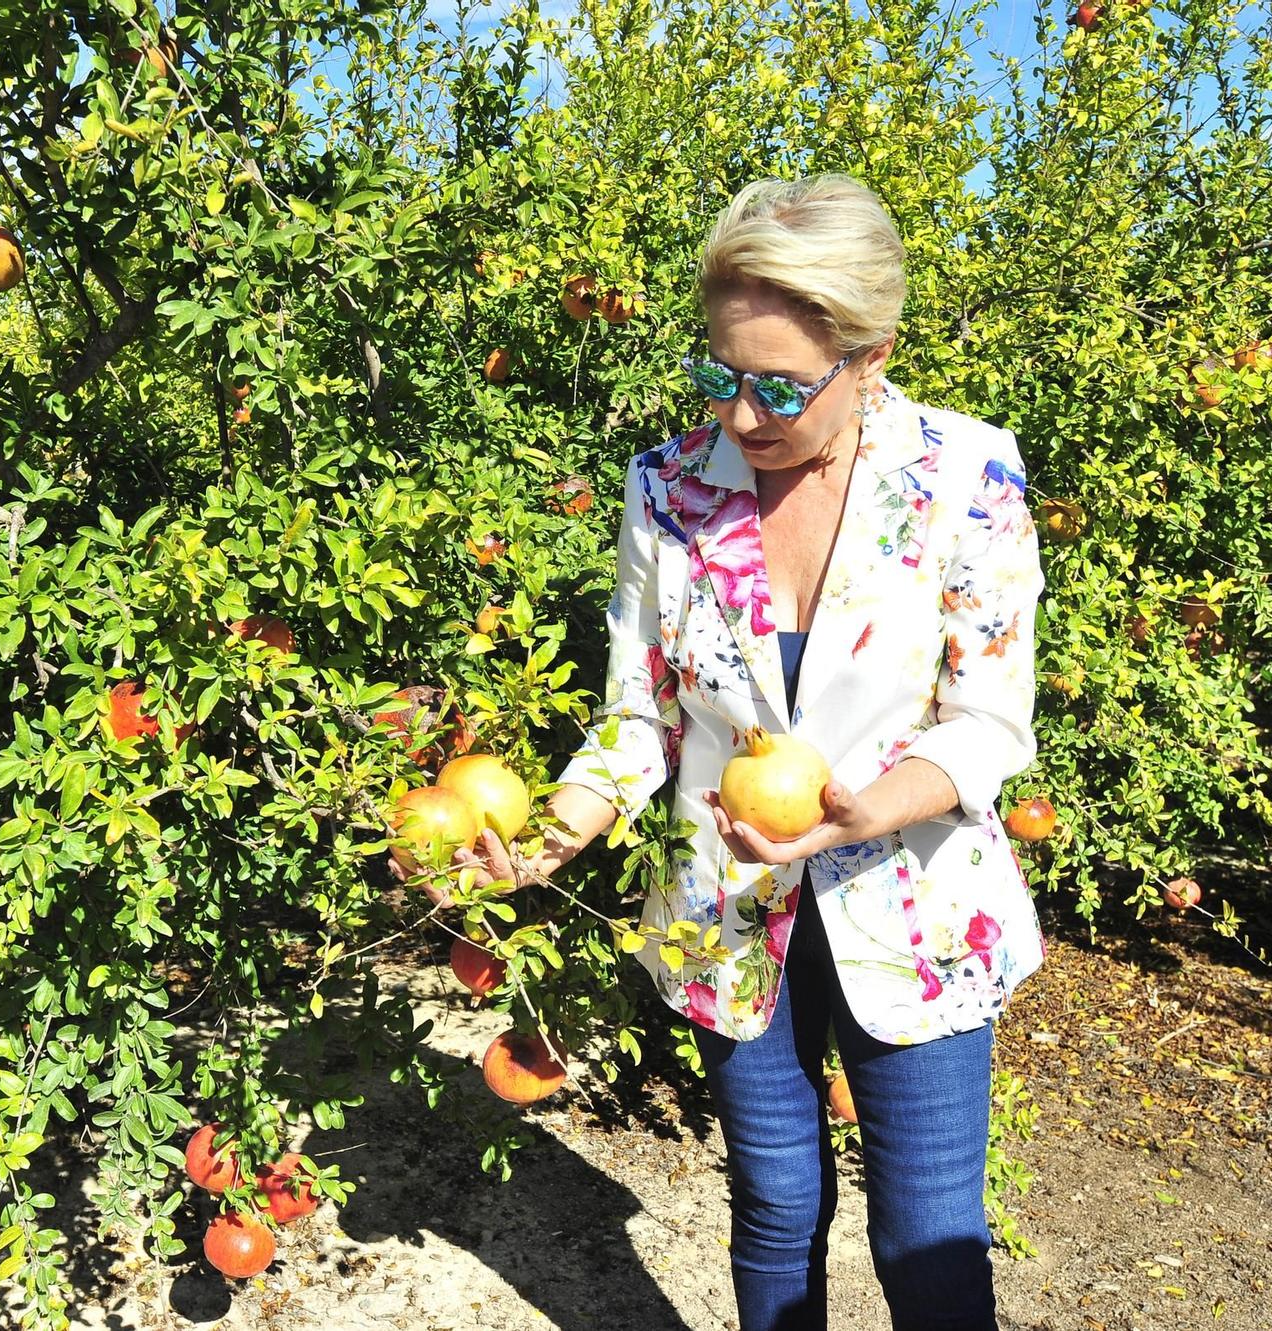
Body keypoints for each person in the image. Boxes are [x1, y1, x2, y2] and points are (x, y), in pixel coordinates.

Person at [410, 173, 1047, 1331]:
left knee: (928, 1236)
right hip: (723, 901)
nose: (740, 418)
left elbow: (991, 716)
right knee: (771, 1202)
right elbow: (638, 711)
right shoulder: (666, 487)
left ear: (870, 356)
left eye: (779, 386)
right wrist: (548, 841)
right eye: (718, 374)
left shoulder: (963, 476)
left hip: (914, 896)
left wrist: (860, 811)